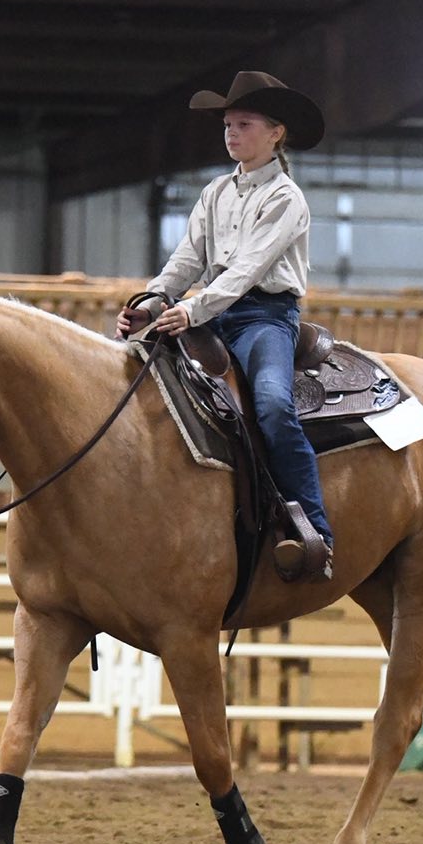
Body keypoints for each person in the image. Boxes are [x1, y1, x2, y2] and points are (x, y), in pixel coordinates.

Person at [116, 70, 333, 582]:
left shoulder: (285, 198)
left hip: (264, 317)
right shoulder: (215, 192)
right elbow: (186, 260)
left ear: (276, 133)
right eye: (228, 125)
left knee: (273, 405)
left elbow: (247, 269)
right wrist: (151, 302)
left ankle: (316, 533)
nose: (232, 134)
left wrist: (192, 310)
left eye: (245, 124)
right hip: (213, 312)